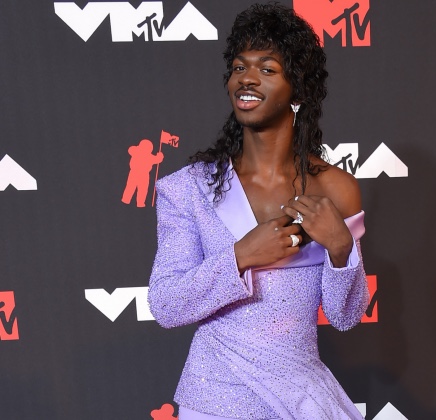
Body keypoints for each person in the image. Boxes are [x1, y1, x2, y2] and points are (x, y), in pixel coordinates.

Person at [147, 4, 368, 420]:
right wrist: (241, 256)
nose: (246, 78)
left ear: (298, 90)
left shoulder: (335, 188)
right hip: (216, 399)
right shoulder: (189, 188)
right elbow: (167, 304)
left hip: (302, 397)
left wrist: (341, 248)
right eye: (238, 67)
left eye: (267, 69)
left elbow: (346, 315)